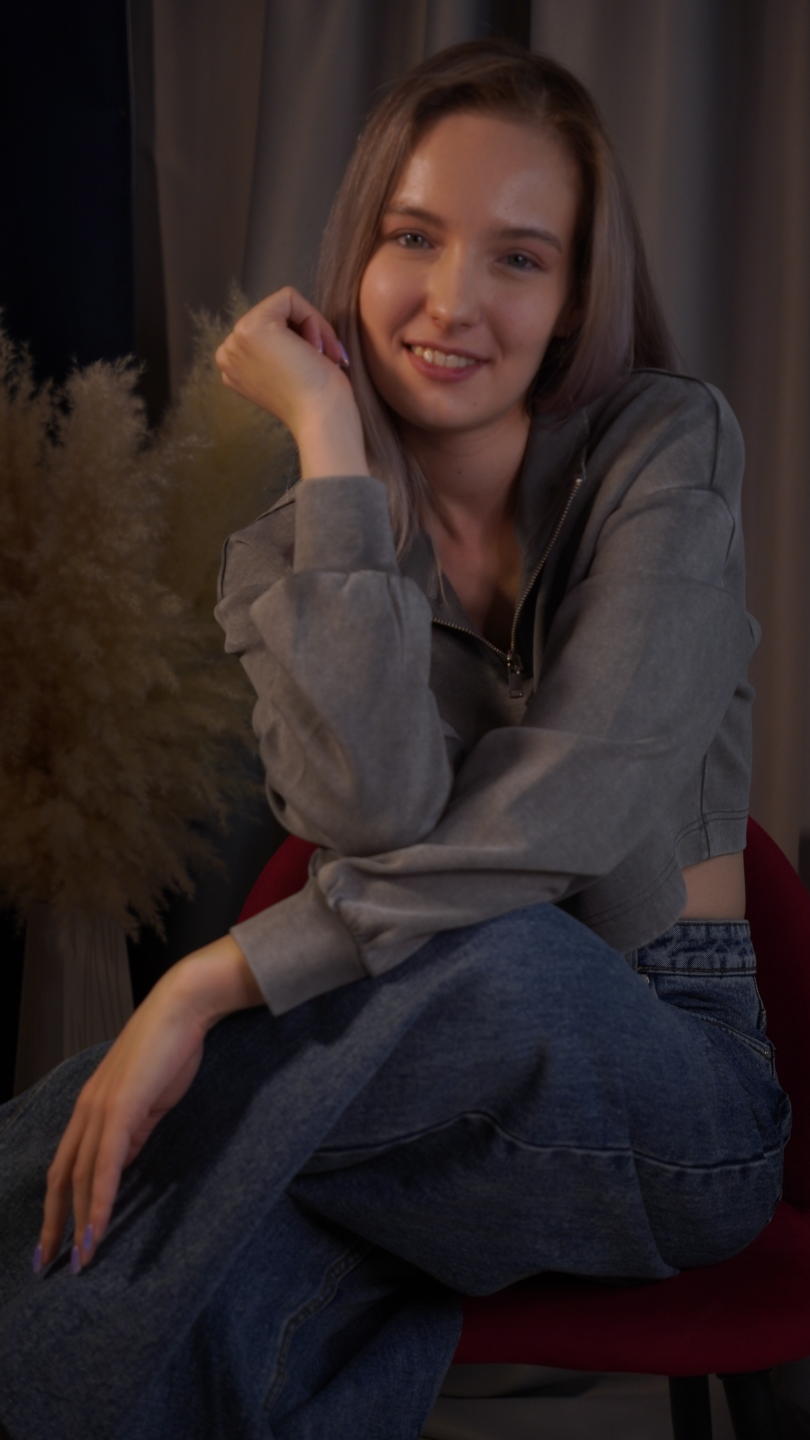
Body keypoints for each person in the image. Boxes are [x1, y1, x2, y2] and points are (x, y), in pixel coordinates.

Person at [0, 37, 792, 1440]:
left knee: (496, 952)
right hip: (414, 1122)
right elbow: (370, 811)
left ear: (575, 298)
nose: (451, 300)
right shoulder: (289, 556)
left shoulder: (667, 450)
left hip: (668, 1101)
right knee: (186, 1278)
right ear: (354, 257)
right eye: (412, 237)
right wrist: (332, 449)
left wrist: (207, 983)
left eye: (518, 258)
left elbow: (580, 807)